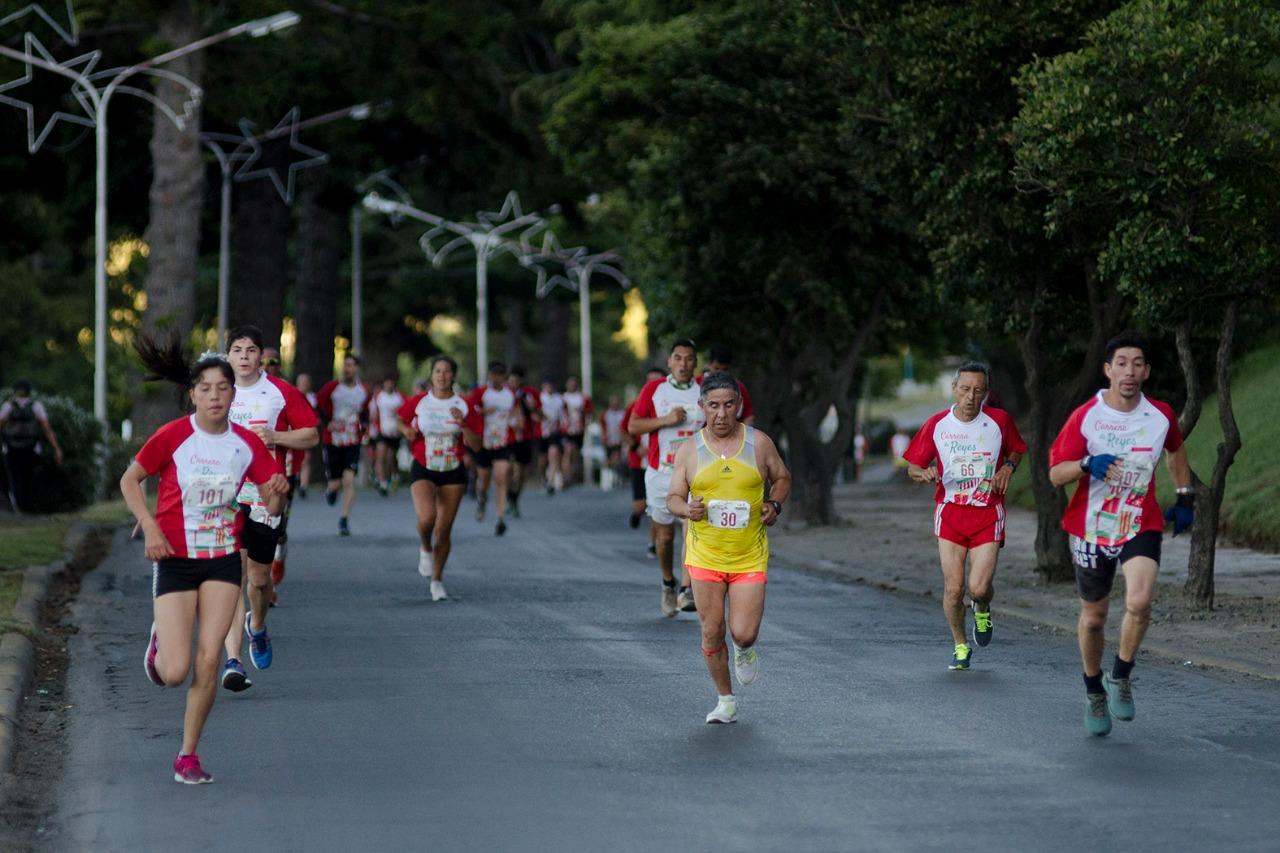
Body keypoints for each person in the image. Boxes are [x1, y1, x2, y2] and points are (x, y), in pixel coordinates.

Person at [122, 337, 288, 783]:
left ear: (234, 395)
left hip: (221, 559)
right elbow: (130, 479)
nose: (214, 396)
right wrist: (151, 525)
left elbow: (270, 508)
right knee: (174, 672)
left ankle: (187, 755)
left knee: (210, 660)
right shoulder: (174, 436)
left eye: (222, 388)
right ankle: (161, 639)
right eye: (205, 389)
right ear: (193, 394)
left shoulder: (247, 444)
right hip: (175, 557)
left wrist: (274, 497)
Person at [1049, 331, 1192, 737]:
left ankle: (1121, 675)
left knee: (1140, 601)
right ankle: (1094, 689)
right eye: (1122, 363)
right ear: (1108, 370)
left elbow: (1175, 449)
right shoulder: (1086, 416)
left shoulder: (1160, 414)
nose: (1129, 371)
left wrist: (1185, 496)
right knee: (1094, 619)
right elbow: (1055, 473)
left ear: (1146, 371)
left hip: (1138, 521)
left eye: (1137, 363)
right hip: (1091, 526)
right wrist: (1087, 464)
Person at [666, 372, 790, 724]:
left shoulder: (759, 444)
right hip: (704, 554)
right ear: (702, 407)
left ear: (739, 406)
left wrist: (774, 505)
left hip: (749, 553)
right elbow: (674, 496)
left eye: (728, 405)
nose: (721, 414)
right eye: (713, 406)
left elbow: (782, 477)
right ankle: (725, 700)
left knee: (743, 632)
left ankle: (744, 650)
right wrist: (686, 509)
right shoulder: (690, 450)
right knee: (711, 629)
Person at [904, 362, 1026, 671]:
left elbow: (1016, 450)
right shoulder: (937, 424)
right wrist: (924, 473)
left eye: (978, 391)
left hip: (987, 512)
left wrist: (1007, 468)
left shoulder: (999, 421)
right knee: (954, 589)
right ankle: (960, 644)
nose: (971, 397)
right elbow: (912, 466)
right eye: (965, 389)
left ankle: (982, 607)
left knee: (979, 587)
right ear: (954, 389)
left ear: (986, 392)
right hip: (951, 515)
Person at [219, 326, 318, 690]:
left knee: (260, 580)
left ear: (262, 356)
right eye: (237, 349)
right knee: (234, 577)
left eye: (251, 350)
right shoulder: (216, 390)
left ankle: (257, 626)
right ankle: (233, 661)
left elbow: (311, 433)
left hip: (267, 492)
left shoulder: (279, 393)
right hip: (227, 494)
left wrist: (275, 437)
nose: (244, 356)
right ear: (227, 355)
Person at [628, 339, 706, 616]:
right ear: (670, 362)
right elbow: (634, 425)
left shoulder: (703, 391)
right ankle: (668, 582)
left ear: (695, 363)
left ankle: (687, 590)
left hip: (695, 475)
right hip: (661, 472)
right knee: (664, 537)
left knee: (691, 526)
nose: (683, 364)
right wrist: (665, 420)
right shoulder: (654, 389)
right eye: (678, 358)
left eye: (689, 358)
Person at [399, 355, 480, 601]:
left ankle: (437, 580)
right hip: (424, 465)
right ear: (432, 375)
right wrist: (407, 431)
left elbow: (477, 445)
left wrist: (463, 424)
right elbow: (399, 421)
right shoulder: (419, 402)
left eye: (446, 372)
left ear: (453, 375)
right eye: (437, 371)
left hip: (453, 469)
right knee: (427, 518)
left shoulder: (464, 405)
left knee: (443, 530)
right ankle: (425, 546)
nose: (442, 376)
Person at [316, 355, 372, 536]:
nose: (346, 369)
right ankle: (331, 490)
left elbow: (365, 412)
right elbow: (318, 406)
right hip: (333, 439)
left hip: (352, 439)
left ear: (356, 369)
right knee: (335, 482)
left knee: (349, 480)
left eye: (350, 366)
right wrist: (327, 422)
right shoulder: (332, 388)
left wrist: (364, 428)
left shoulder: (363, 390)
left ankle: (344, 519)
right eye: (345, 365)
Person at [465, 361, 515, 536]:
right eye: (494, 375)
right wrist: (484, 411)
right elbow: (469, 410)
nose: (497, 378)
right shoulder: (481, 392)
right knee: (484, 478)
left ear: (504, 377)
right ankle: (482, 498)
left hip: (502, 441)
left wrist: (518, 420)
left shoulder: (510, 394)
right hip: (483, 442)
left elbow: (515, 412)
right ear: (489, 375)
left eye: (500, 375)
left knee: (501, 476)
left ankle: (500, 518)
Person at [0, 379, 63, 513]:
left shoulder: (8, 406)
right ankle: (27, 507)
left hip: (11, 449)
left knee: (16, 479)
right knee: (29, 479)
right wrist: (56, 448)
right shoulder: (36, 406)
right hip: (31, 449)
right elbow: (46, 428)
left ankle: (20, 507)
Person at [622, 367, 667, 548]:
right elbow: (624, 430)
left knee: (655, 507)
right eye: (650, 380)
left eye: (657, 380)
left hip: (660, 463)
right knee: (641, 506)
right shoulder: (635, 405)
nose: (653, 384)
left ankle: (653, 543)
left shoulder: (669, 406)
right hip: (638, 462)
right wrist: (635, 446)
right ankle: (636, 513)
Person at [506, 366, 540, 517]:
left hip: (525, 436)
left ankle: (515, 498)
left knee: (519, 473)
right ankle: (508, 496)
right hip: (507, 436)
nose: (515, 382)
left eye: (517, 379)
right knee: (508, 469)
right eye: (512, 379)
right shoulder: (504, 393)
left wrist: (530, 408)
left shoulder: (530, 394)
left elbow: (539, 413)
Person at [370, 375, 405, 496]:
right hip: (382, 431)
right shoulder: (379, 397)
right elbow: (374, 414)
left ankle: (388, 478)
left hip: (395, 432)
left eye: (391, 382)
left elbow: (404, 413)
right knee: (381, 456)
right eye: (387, 383)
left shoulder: (399, 397)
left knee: (391, 458)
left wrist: (402, 429)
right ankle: (382, 481)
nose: (389, 385)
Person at [702, 346, 755, 425]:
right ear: (709, 364)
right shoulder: (696, 383)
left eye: (724, 369)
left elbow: (748, 416)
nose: (720, 373)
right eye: (716, 368)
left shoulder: (739, 387)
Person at [560, 375, 592, 486]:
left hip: (578, 430)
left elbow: (588, 414)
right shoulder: (562, 398)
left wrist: (586, 427)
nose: (572, 386)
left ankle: (574, 473)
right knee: (567, 451)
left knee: (575, 452)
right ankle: (565, 477)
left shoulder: (583, 398)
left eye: (574, 384)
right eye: (570, 384)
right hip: (566, 430)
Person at [539, 379, 566, 494]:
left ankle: (551, 481)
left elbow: (563, 415)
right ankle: (543, 477)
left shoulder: (559, 399)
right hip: (541, 431)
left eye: (551, 386)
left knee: (554, 454)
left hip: (554, 431)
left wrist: (563, 426)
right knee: (542, 458)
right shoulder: (540, 398)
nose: (549, 388)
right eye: (547, 386)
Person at [293, 373, 318, 499]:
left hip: (306, 431)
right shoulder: (291, 394)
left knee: (306, 458)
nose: (304, 384)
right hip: (292, 431)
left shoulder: (313, 398)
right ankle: (294, 477)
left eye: (306, 382)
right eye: (302, 382)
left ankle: (303, 485)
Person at [600, 395, 626, 482]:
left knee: (617, 457)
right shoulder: (606, 414)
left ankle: (618, 476)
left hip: (619, 440)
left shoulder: (622, 413)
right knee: (608, 459)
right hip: (609, 440)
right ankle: (607, 477)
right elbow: (602, 426)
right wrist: (603, 436)